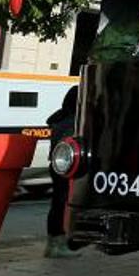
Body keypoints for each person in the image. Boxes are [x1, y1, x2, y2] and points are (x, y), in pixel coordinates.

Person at [45, 86, 80, 258]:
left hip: (56, 165)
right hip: (68, 167)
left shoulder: (58, 118)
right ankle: (59, 244)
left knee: (57, 203)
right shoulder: (73, 122)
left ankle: (52, 244)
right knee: (64, 204)